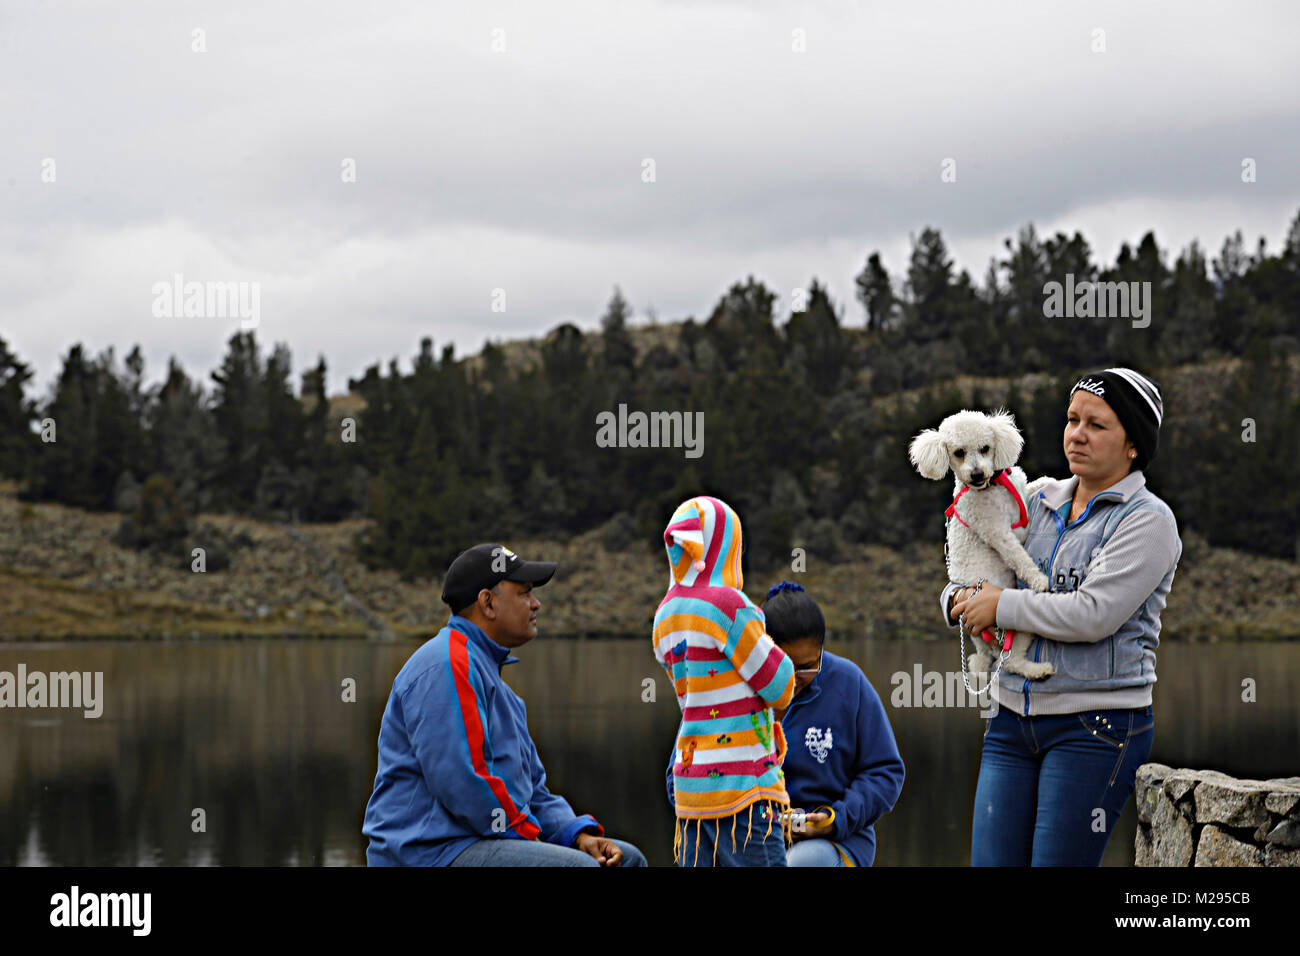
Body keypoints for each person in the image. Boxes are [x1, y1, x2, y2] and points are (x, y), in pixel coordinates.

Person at [945, 367, 1180, 866]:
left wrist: (999, 605)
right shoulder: (1035, 498)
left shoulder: (1148, 521)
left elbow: (1093, 615)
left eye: (1097, 425)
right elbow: (973, 564)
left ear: (1134, 443)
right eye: (1073, 419)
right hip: (1009, 720)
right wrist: (955, 601)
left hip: (1096, 727)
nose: (1077, 434)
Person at [363, 543, 647, 867]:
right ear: (488, 603)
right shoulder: (448, 665)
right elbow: (466, 783)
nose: (536, 604)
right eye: (525, 593)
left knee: (626, 860)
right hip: (428, 854)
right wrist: (532, 838)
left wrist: (576, 836)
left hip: (476, 842)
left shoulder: (495, 683)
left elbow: (533, 792)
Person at [663, 580, 906, 866]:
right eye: (784, 666)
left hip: (832, 840)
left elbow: (885, 771)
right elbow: (678, 778)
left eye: (808, 667)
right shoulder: (722, 688)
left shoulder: (848, 682)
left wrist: (834, 819)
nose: (794, 678)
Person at [654, 495, 796, 866]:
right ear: (726, 545)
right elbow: (780, 688)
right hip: (743, 793)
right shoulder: (727, 606)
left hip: (691, 794)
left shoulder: (664, 616)